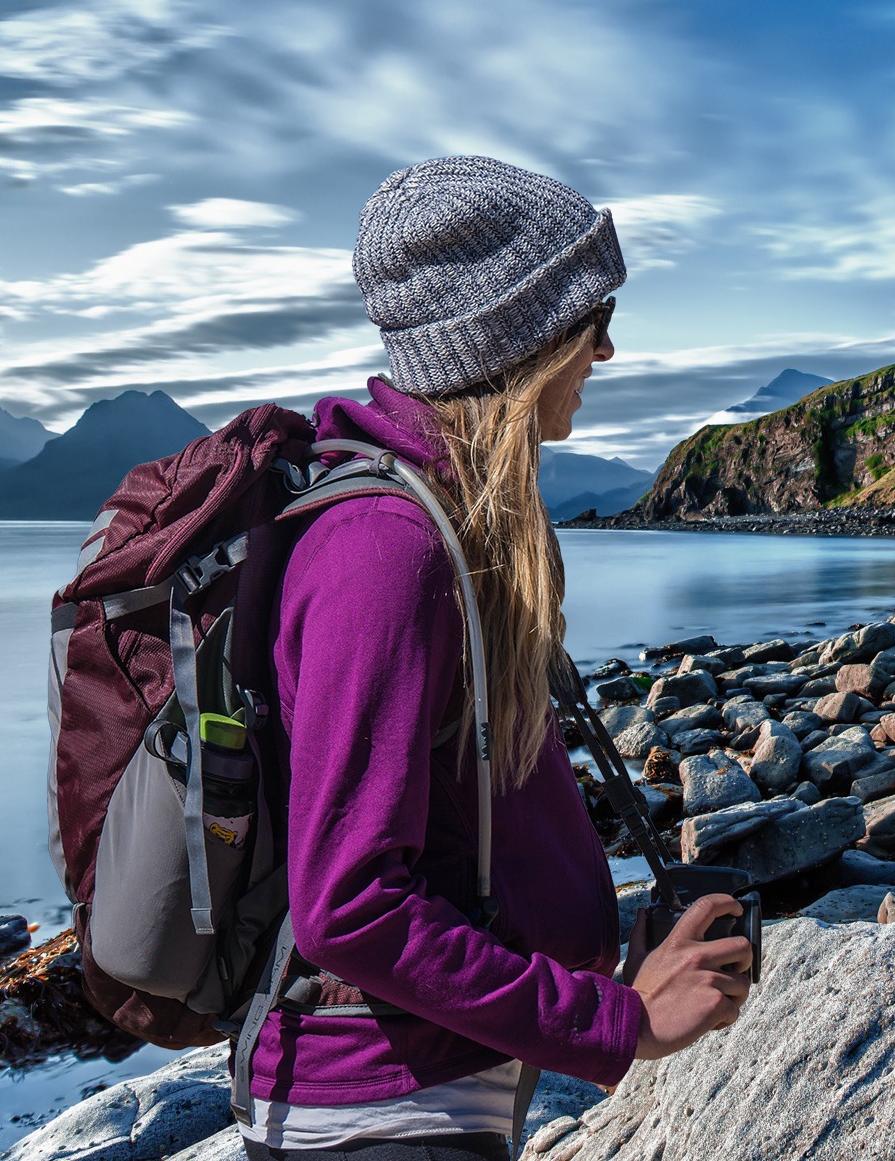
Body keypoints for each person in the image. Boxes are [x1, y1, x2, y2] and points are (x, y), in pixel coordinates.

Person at [241, 156, 751, 1160]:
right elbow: (348, 905)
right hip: (377, 1119)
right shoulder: (386, 550)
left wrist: (608, 969)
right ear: (516, 338)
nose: (607, 348)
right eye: (589, 319)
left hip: (432, 1098)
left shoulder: (454, 529)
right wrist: (619, 1024)